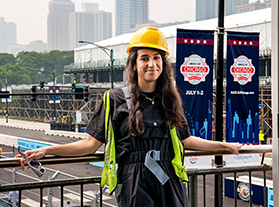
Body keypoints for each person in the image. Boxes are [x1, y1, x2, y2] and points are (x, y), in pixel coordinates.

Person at [17, 27, 242, 207]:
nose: (151, 64)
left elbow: (186, 140)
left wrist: (225, 146)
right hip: (134, 184)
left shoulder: (170, 100)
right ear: (134, 64)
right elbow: (89, 145)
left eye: (157, 58)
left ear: (163, 64)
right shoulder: (115, 99)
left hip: (170, 183)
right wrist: (47, 150)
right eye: (144, 58)